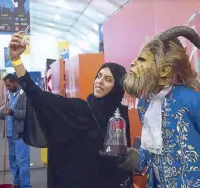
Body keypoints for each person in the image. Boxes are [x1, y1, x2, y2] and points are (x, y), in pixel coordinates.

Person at [8, 31, 138, 188]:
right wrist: (16, 61)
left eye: (108, 79)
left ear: (116, 87)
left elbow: (122, 162)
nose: (100, 81)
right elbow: (39, 97)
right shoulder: (81, 110)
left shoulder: (120, 113)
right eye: (99, 76)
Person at [123, 26, 200, 187]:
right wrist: (132, 157)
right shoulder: (144, 104)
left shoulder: (193, 101)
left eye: (142, 60)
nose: (132, 63)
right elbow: (152, 150)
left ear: (165, 69)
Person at [0, 74, 32, 188]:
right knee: (13, 164)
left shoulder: (24, 95)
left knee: (23, 163)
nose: (7, 88)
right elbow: (8, 115)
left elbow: (27, 114)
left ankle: (26, 186)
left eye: (8, 85)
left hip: (20, 135)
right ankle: (17, 184)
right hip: (10, 135)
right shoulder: (10, 95)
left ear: (15, 82)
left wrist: (12, 112)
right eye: (6, 86)